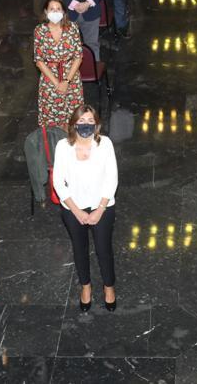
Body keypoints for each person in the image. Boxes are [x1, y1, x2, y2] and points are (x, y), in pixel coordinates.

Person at [53, 104, 119, 312]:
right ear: (73, 124)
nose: (86, 125)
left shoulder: (105, 144)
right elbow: (58, 182)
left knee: (103, 249)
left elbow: (112, 178)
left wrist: (100, 209)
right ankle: (86, 287)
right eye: (81, 121)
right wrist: (76, 210)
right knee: (79, 248)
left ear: (97, 124)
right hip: (73, 207)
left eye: (90, 122)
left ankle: (109, 287)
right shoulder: (63, 146)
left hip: (102, 206)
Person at [33, 0, 84, 129]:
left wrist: (66, 81)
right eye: (51, 9)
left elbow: (78, 56)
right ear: (46, 12)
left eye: (58, 9)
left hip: (71, 78)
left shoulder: (72, 28)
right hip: (50, 80)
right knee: (51, 120)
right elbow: (39, 61)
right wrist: (57, 83)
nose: (55, 12)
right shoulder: (40, 31)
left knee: (72, 119)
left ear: (63, 12)